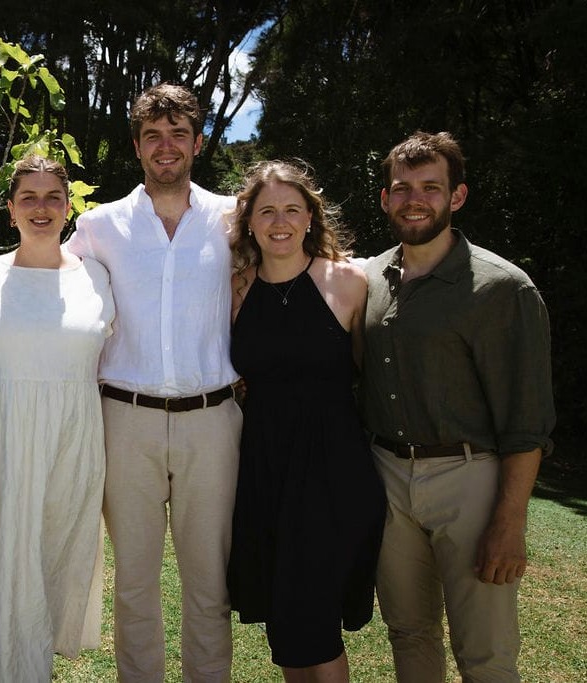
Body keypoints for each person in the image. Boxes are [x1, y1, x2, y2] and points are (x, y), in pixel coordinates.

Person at [362, 131, 555, 682]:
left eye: (430, 187)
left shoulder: (502, 289)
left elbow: (527, 422)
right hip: (389, 478)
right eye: (401, 189)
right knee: (409, 632)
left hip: (470, 479)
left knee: (486, 650)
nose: (413, 200)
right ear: (385, 199)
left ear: (458, 196)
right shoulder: (372, 277)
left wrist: (509, 522)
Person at [68, 84, 242, 682]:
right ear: (137, 147)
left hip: (213, 422)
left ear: (197, 142)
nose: (165, 147)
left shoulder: (234, 217)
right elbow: (42, 273)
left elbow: (303, 257)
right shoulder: (99, 225)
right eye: (152, 136)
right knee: (135, 582)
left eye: (177, 134)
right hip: (126, 419)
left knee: (208, 581)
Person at [226, 160, 385, 682]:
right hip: (266, 466)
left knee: (314, 616)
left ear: (311, 217)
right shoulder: (236, 289)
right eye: (267, 210)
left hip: (333, 468)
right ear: (249, 221)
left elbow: (369, 372)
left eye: (292, 209)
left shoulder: (349, 282)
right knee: (288, 618)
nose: (280, 221)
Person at [0, 155, 115, 681]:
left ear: (69, 208)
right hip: (2, 440)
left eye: (53, 197)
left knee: (52, 564)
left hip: (74, 440)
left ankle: (34, 668)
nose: (41, 208)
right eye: (28, 198)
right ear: (10, 211)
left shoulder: (97, 277)